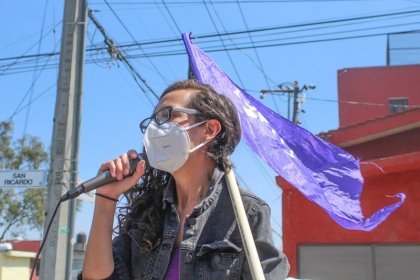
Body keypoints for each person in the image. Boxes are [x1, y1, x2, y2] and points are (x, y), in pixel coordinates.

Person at [80, 79, 289, 280]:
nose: (155, 128)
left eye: (167, 115)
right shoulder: (145, 213)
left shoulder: (247, 212)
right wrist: (105, 199)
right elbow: (96, 277)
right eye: (153, 120)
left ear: (209, 130)